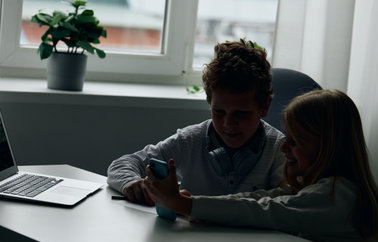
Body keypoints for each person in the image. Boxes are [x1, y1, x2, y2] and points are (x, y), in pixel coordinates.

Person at [144, 89, 378, 242]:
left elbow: (265, 211)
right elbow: (260, 199)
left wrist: (185, 204)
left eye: (295, 142)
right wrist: (191, 205)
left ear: (328, 146)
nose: (283, 148)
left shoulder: (336, 196)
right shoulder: (315, 188)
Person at [107, 39, 285, 205]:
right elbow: (122, 164)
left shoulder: (279, 149)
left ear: (265, 106)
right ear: (210, 103)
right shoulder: (190, 141)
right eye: (219, 112)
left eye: (241, 114)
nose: (228, 124)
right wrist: (132, 182)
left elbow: (284, 201)